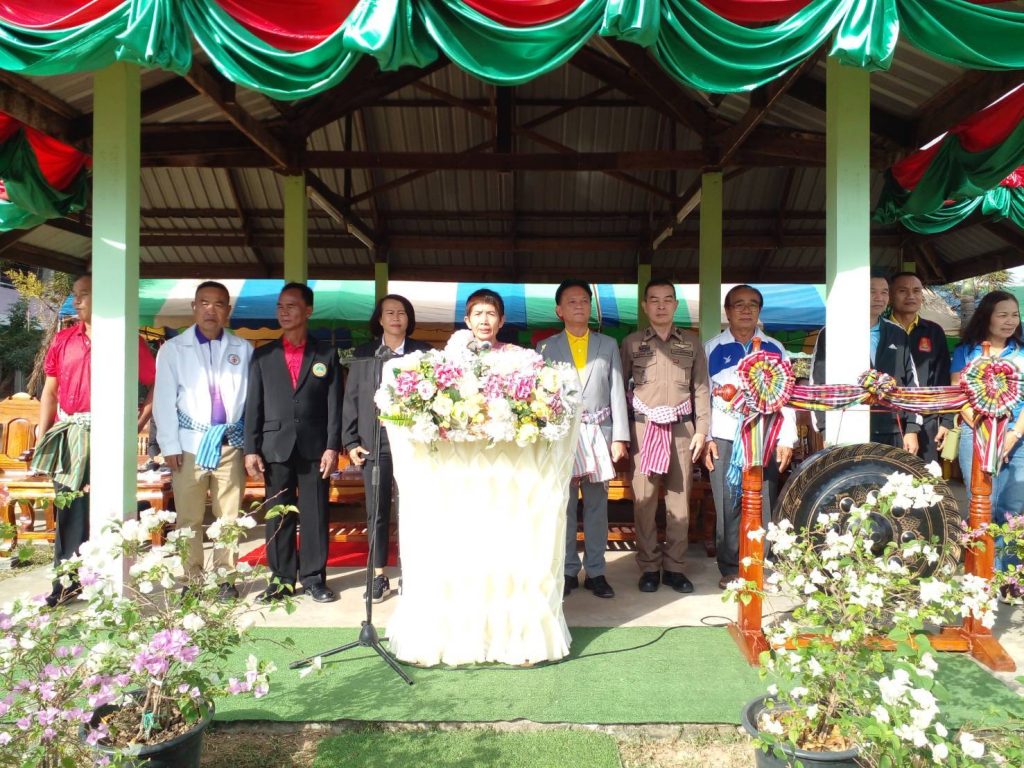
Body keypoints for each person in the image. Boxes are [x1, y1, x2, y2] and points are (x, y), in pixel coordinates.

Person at [31, 273, 156, 607]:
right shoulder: (63, 340)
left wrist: (137, 425)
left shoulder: (128, 340)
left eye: (84, 294)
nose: (77, 301)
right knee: (68, 507)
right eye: (76, 294)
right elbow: (50, 391)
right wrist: (43, 433)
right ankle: (66, 583)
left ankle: (108, 580)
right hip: (70, 433)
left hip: (110, 435)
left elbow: (154, 383)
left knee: (109, 508)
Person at [153, 281, 252, 599]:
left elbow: (252, 400)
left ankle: (225, 578)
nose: (211, 310)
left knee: (229, 516)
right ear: (194, 307)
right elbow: (163, 400)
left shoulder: (243, 348)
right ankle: (192, 579)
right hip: (189, 445)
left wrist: (250, 445)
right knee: (189, 517)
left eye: (219, 304)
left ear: (228, 310)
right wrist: (169, 445)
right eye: (204, 303)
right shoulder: (173, 349)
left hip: (230, 443)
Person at [244, 283, 342, 603]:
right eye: (280, 307)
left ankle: (314, 578)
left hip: (315, 447)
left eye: (291, 306)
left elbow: (335, 405)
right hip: (275, 446)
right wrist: (250, 449)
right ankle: (281, 580)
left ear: (308, 311)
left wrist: (332, 446)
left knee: (315, 514)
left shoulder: (326, 354)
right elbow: (253, 405)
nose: (284, 312)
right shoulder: (263, 355)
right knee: (278, 514)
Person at [538, 280, 629, 599]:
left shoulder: (608, 344)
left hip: (599, 434)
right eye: (571, 301)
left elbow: (617, 390)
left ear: (590, 307)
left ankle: (596, 571)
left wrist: (620, 437)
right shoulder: (545, 347)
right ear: (559, 310)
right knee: (562, 505)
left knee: (596, 506)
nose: (579, 306)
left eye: (584, 301)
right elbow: (538, 395)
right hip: (561, 436)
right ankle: (566, 570)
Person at [621, 280, 710, 594]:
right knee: (644, 501)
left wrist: (702, 430)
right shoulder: (631, 343)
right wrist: (621, 435)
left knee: (680, 502)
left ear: (675, 305)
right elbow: (619, 390)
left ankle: (675, 568)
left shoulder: (692, 343)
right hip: (643, 430)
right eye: (654, 300)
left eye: (667, 299)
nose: (661, 305)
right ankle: (648, 567)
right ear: (645, 306)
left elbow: (701, 389)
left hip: (681, 431)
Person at [704, 285, 796, 591]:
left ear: (759, 311)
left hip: (764, 436)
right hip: (724, 437)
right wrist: (706, 438)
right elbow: (701, 397)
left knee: (763, 501)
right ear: (727, 311)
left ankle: (759, 567)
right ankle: (730, 568)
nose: (746, 310)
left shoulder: (775, 349)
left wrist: (787, 438)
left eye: (752, 305)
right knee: (728, 504)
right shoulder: (712, 348)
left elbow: (787, 396)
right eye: (739, 305)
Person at [342, 294, 431, 603]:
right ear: (379, 319)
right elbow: (351, 398)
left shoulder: (424, 353)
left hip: (414, 442)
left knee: (413, 508)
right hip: (374, 441)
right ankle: (379, 575)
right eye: (389, 313)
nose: (395, 317)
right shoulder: (365, 354)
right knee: (377, 510)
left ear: (409, 319)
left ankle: (412, 572)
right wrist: (351, 441)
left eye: (401, 312)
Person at [942, 290, 1024, 578]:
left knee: (1013, 508)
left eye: (1014, 315)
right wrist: (985, 431)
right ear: (986, 317)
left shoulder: (1021, 352)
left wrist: (1012, 435)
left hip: (1018, 437)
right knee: (981, 504)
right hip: (975, 434)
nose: (1010, 321)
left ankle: (1007, 578)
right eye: (1002, 315)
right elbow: (959, 394)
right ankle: (979, 575)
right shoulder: (967, 351)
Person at [811, 276, 921, 451]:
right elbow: (817, 382)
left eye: (884, 292)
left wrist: (912, 429)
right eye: (871, 292)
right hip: (845, 428)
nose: (879, 298)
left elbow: (911, 382)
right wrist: (825, 429)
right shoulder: (832, 331)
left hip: (892, 428)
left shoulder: (897, 333)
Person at [888, 272, 952, 464]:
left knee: (924, 477)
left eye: (916, 291)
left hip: (927, 420)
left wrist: (947, 421)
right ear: (890, 295)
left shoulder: (934, 331)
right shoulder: (881, 330)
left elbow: (944, 377)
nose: (911, 296)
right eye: (903, 291)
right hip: (888, 420)